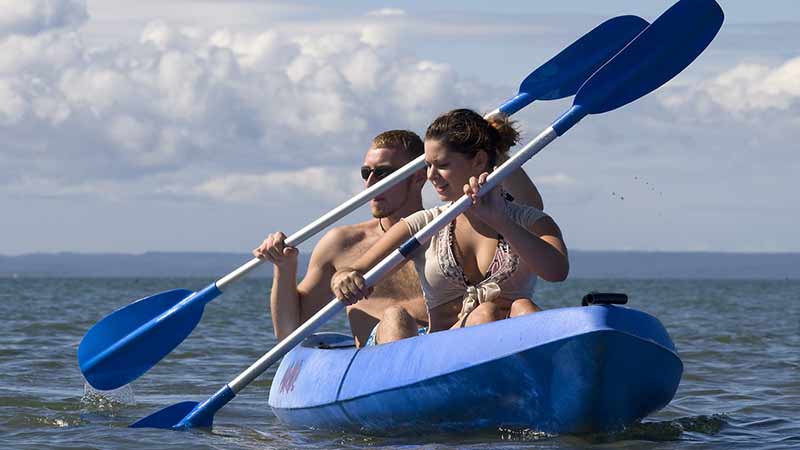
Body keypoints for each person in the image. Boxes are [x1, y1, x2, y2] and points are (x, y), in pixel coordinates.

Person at [255, 126, 545, 347]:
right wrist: (284, 269)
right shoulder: (342, 243)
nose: (370, 183)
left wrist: (495, 148)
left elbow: (528, 208)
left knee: (510, 310)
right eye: (365, 172)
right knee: (395, 318)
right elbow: (290, 332)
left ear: (420, 176)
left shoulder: (447, 227)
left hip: (443, 347)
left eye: (383, 173)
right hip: (382, 360)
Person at [330, 109, 568, 344]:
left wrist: (499, 220)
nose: (431, 175)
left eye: (441, 164)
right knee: (396, 316)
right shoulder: (423, 225)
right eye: (428, 165)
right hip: (438, 358)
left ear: (479, 161)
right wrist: (344, 279)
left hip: (508, 351)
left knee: (520, 307)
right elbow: (354, 270)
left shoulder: (531, 221)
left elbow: (556, 272)